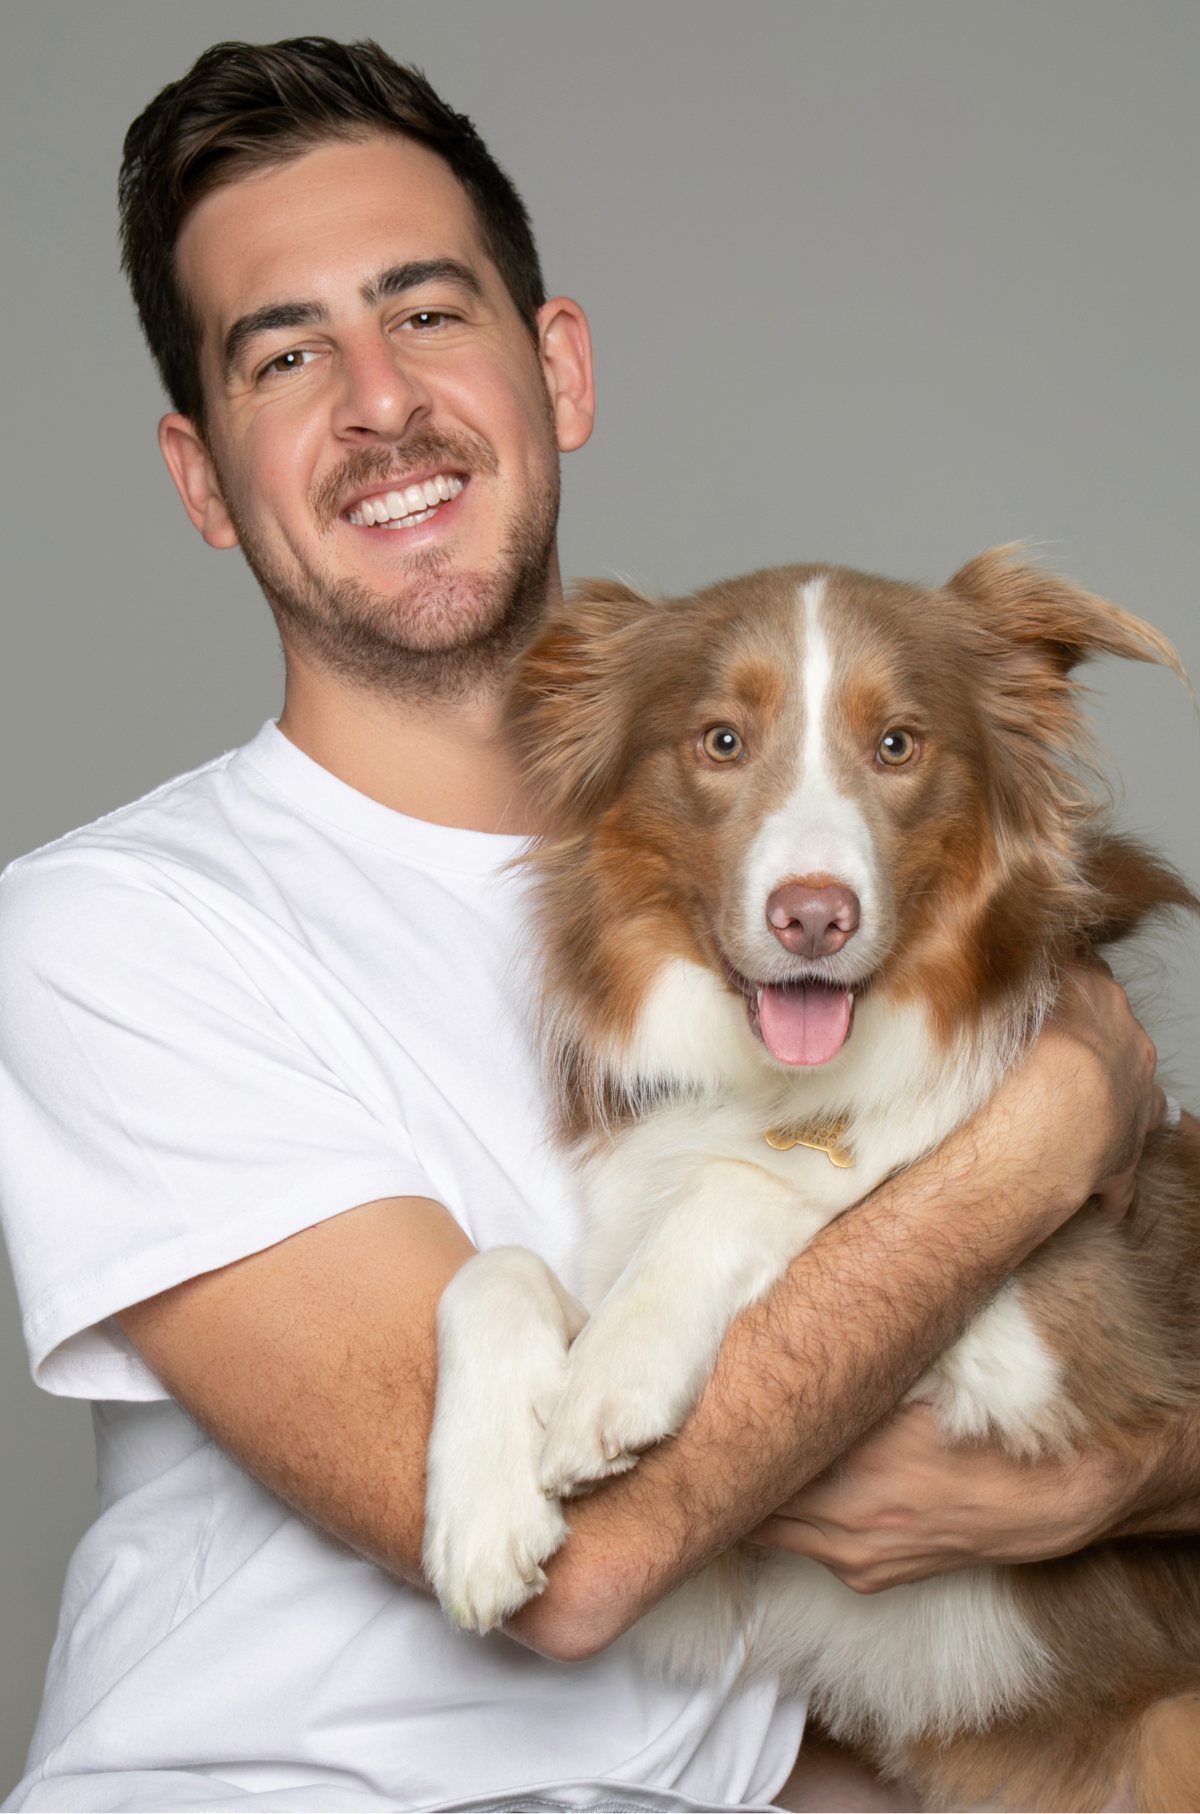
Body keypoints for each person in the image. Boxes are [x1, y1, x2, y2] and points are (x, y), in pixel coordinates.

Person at [0, 35, 1194, 1814]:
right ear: (200, 474)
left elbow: (871, 1604)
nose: (378, 402)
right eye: (286, 354)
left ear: (556, 365)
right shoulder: (116, 930)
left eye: (426, 312)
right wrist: (1052, 1129)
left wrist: (1146, 1476)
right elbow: (577, 1568)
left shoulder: (821, 905)